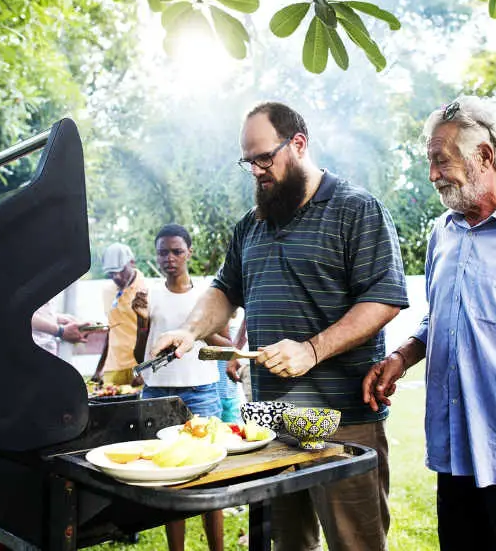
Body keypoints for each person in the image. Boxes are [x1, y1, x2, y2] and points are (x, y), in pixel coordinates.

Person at [149, 102, 409, 551]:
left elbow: (383, 298)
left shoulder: (357, 209)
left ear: (299, 144)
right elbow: (224, 292)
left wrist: (311, 350)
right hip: (269, 422)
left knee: (356, 543)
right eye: (248, 161)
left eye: (264, 158)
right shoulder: (251, 226)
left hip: (342, 420)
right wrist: (190, 330)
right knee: (287, 544)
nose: (256, 171)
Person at [363, 95, 496, 550]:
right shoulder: (443, 231)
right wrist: (401, 356)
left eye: (441, 161)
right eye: (430, 162)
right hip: (455, 451)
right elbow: (442, 315)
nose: (433, 175)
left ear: (485, 155)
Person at [132, 223, 230, 551]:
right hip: (158, 393)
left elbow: (225, 342)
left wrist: (194, 330)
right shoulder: (149, 296)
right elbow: (139, 356)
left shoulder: (207, 296)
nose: (169, 258)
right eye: (163, 252)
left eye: (176, 251)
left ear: (189, 252)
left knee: (208, 475)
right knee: (168, 477)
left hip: (200, 392)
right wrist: (143, 320)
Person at [92, 243, 146, 386]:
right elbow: (111, 330)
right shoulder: (107, 292)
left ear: (132, 262)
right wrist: (99, 369)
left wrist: (145, 369)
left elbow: (152, 332)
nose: (116, 276)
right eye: (111, 273)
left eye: (120, 271)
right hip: (113, 368)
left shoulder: (146, 289)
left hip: (139, 368)